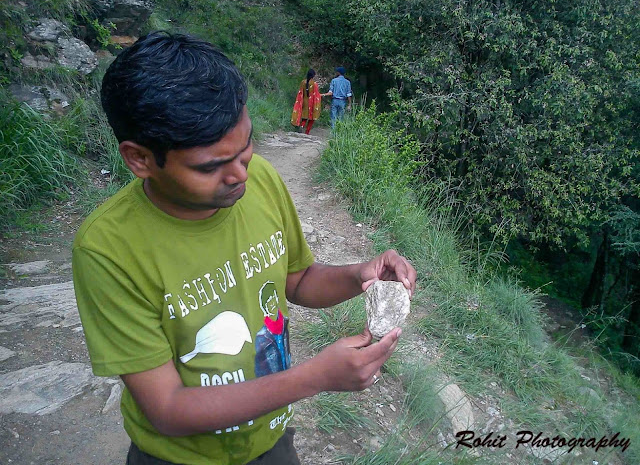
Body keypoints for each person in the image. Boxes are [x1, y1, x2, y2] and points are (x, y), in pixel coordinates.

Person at [72, 31, 416, 465]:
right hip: (179, 456)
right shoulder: (108, 249)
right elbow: (168, 409)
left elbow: (300, 279)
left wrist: (358, 275)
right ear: (140, 159)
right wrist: (312, 379)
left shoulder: (262, 180)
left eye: (246, 146)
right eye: (211, 166)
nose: (239, 174)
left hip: (269, 440)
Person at [290, 69, 321, 135]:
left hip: (304, 101)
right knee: (312, 118)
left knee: (304, 116)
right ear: (313, 75)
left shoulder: (303, 82)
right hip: (312, 102)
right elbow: (316, 95)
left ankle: (302, 126)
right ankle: (307, 132)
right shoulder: (314, 84)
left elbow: (301, 92)